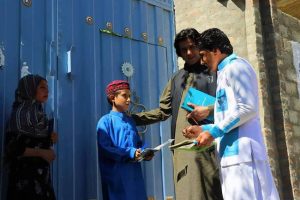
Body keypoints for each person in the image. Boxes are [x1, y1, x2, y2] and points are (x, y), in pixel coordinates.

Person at [183, 28, 280, 200]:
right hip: (231, 158)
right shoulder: (224, 73)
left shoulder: (237, 67)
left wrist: (213, 133)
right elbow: (229, 118)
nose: (203, 61)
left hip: (243, 157)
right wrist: (203, 129)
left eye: (204, 54)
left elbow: (247, 108)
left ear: (216, 51)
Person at [131, 28, 223, 200]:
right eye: (183, 49)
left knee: (211, 191)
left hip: (208, 143)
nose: (189, 52)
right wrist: (134, 118)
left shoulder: (215, 72)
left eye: (193, 47)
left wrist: (209, 110)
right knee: (186, 192)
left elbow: (229, 105)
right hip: (182, 147)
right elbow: (163, 111)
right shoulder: (176, 79)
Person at [97, 80, 154, 200]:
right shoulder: (105, 122)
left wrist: (145, 152)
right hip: (115, 177)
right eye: (124, 96)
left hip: (134, 176)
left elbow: (138, 143)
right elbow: (106, 149)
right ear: (113, 98)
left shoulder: (130, 121)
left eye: (129, 96)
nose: (128, 100)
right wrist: (130, 152)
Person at [5, 74, 57, 200]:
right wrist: (42, 153)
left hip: (41, 179)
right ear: (29, 89)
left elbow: (35, 140)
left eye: (47, 87)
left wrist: (50, 138)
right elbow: (13, 148)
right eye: (42, 87)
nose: (47, 90)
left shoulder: (39, 114)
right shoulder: (20, 115)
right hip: (25, 181)